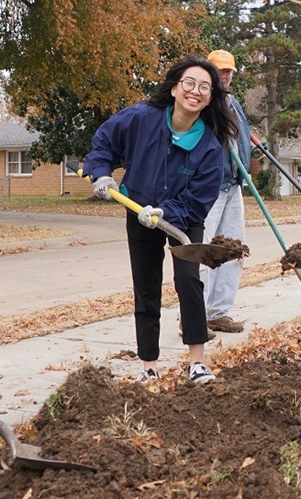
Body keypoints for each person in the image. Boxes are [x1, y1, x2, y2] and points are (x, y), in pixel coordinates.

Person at [85, 56, 237, 384]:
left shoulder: (209, 147)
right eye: (189, 83)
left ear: (211, 97)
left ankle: (197, 362)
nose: (195, 91)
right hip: (138, 210)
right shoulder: (141, 119)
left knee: (188, 280)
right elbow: (104, 144)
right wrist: (101, 173)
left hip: (183, 217)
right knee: (146, 287)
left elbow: (200, 200)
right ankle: (148, 366)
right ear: (174, 88)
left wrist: (166, 212)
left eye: (204, 87)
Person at [200, 50, 253, 335]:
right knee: (203, 253)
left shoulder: (233, 102)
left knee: (234, 251)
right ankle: (194, 316)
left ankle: (218, 313)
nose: (225, 75)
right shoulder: (204, 102)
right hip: (209, 187)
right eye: (219, 70)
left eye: (229, 71)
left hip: (234, 185)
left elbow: (241, 134)